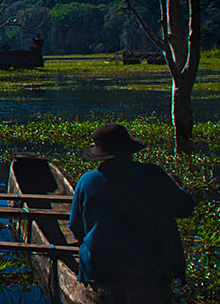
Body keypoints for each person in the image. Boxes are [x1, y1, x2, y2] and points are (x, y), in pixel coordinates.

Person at [68, 123, 194, 287]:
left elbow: (75, 227)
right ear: (129, 150)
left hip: (100, 270)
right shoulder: (153, 174)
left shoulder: (87, 180)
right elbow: (185, 208)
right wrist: (175, 185)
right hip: (152, 267)